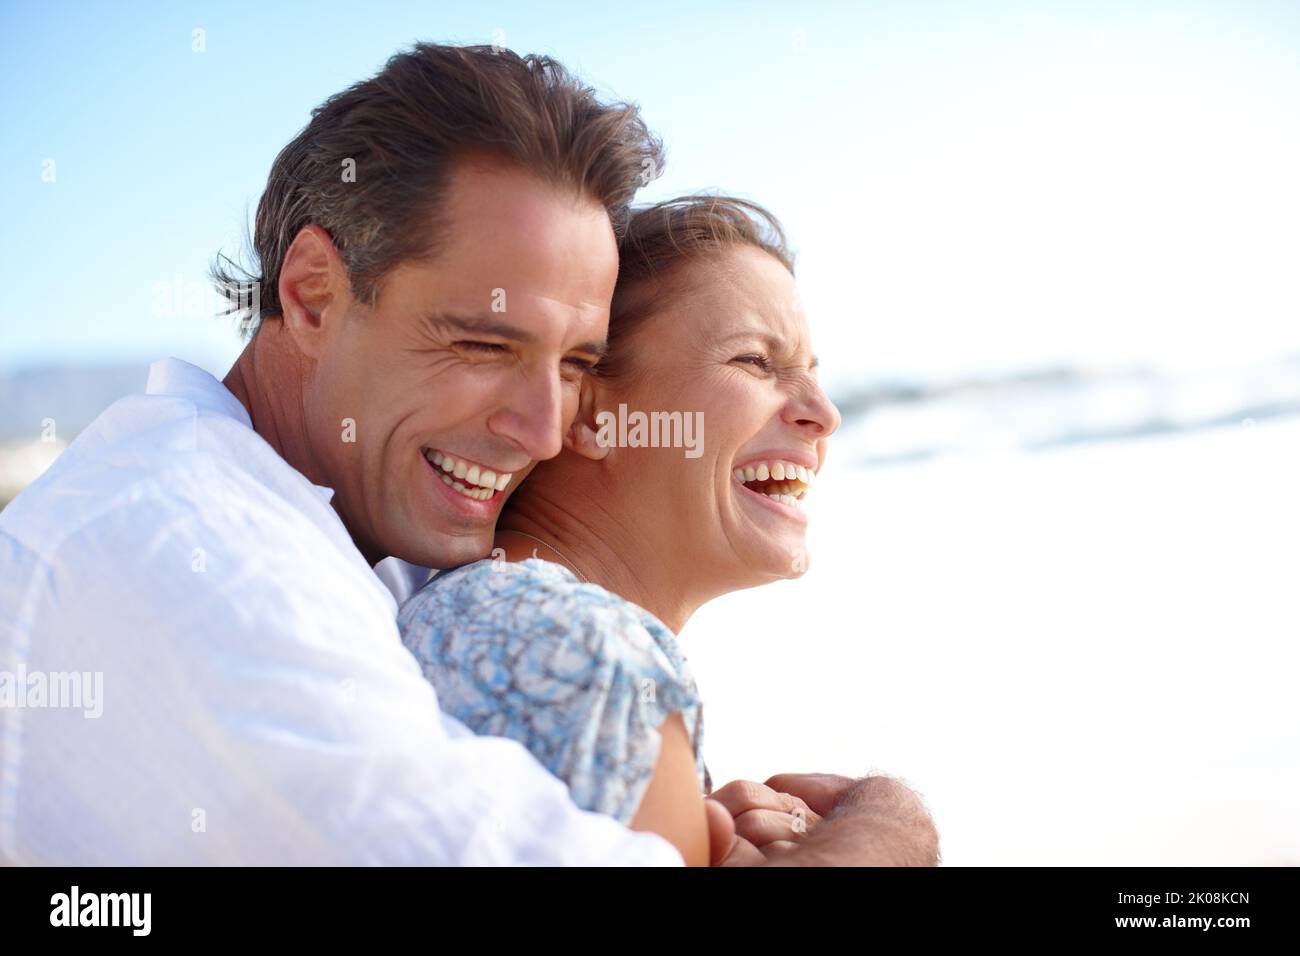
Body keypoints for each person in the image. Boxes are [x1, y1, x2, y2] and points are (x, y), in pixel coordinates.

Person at [0, 42, 935, 866]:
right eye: (484, 346)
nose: (541, 428)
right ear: (315, 293)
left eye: (574, 362)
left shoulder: (346, 536)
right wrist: (888, 832)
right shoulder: (197, 551)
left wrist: (673, 818)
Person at [398, 196, 941, 867]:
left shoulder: (492, 613)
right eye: (753, 361)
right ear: (589, 414)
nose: (822, 413)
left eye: (812, 372)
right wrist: (890, 827)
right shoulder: (587, 652)